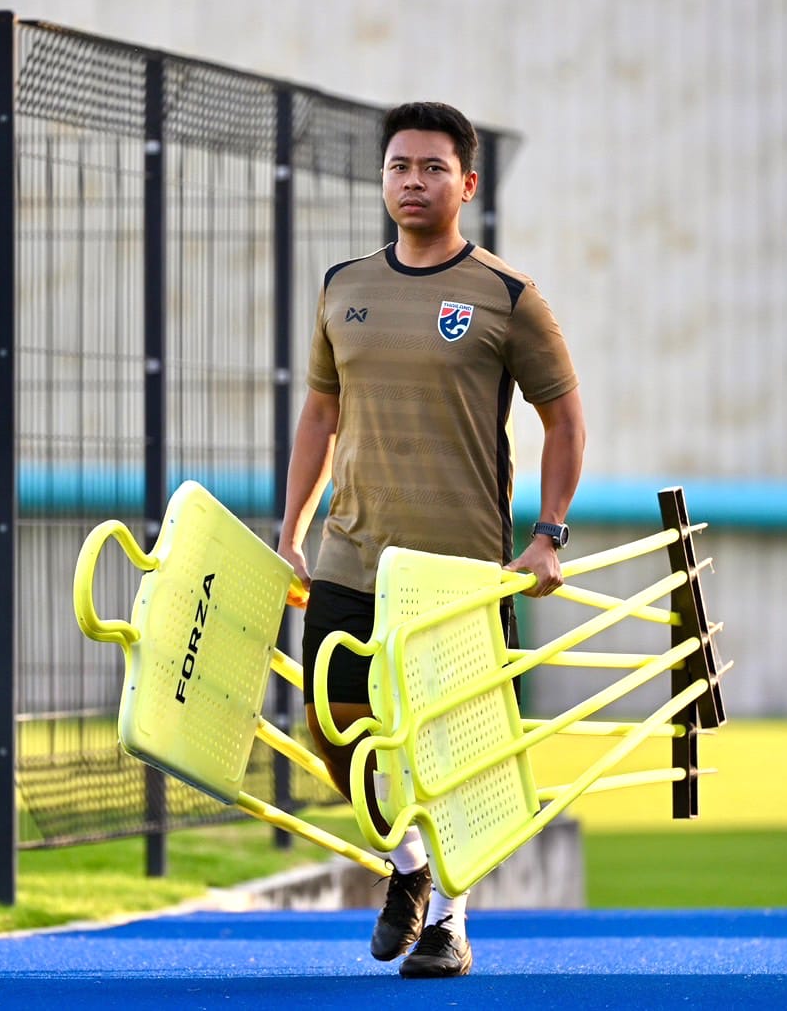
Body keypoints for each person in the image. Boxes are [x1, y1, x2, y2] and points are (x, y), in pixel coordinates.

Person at [277, 101, 585, 979]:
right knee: (333, 724)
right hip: (350, 553)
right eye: (399, 166)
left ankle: (451, 920)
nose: (412, 181)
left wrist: (547, 535)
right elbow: (320, 415)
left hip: (459, 569)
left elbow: (565, 421)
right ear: (383, 179)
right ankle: (407, 867)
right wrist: (290, 530)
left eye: (432, 168)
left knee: (460, 753)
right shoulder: (343, 287)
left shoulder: (508, 297)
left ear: (467, 183)